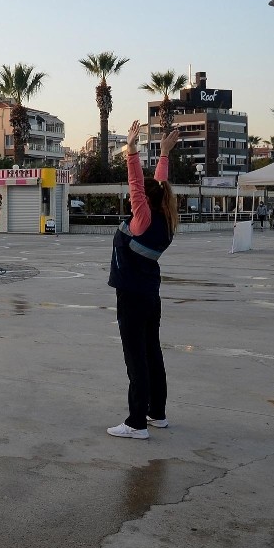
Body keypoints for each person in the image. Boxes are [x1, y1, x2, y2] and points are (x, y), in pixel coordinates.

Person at [106, 120, 180, 440]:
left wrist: (132, 152)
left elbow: (137, 185)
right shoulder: (166, 216)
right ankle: (157, 413)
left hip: (133, 297)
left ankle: (136, 422)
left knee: (136, 358)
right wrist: (163, 154)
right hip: (150, 295)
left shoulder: (144, 217)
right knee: (152, 352)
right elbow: (158, 185)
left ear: (143, 203)